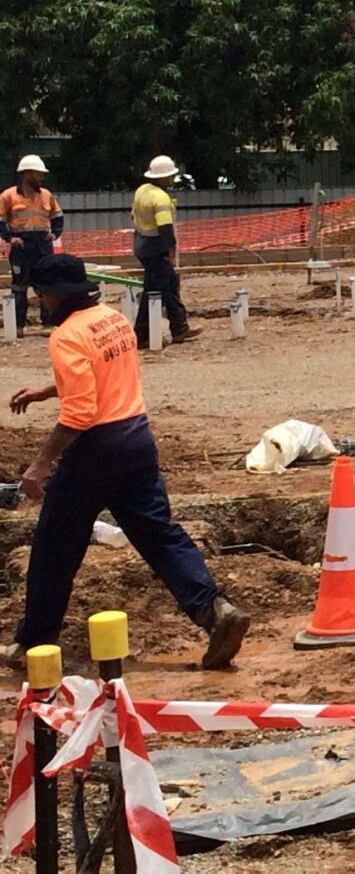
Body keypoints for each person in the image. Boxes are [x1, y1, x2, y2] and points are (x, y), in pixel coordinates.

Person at [3, 256, 248, 669]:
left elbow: (80, 414)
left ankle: (33, 643)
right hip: (137, 440)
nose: (39, 301)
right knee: (160, 535)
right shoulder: (111, 318)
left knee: (54, 548)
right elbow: (104, 373)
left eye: (41, 293)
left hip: (97, 451)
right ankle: (215, 609)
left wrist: (41, 463)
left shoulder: (65, 336)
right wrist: (49, 389)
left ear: (58, 294)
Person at [132, 155, 193, 346]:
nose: (172, 180)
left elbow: (134, 216)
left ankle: (177, 328)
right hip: (156, 248)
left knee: (162, 286)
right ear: (161, 177)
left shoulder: (142, 191)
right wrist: (170, 249)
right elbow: (165, 227)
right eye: (170, 176)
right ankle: (147, 334)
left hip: (143, 245)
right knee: (161, 289)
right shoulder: (160, 198)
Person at [0, 156, 63, 333]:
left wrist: (55, 234)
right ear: (27, 174)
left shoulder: (46, 195)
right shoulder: (8, 196)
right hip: (21, 247)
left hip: (43, 246)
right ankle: (18, 325)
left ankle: (48, 323)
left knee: (46, 284)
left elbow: (57, 217)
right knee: (19, 286)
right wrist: (10, 238)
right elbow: (0, 220)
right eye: (38, 174)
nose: (41, 178)